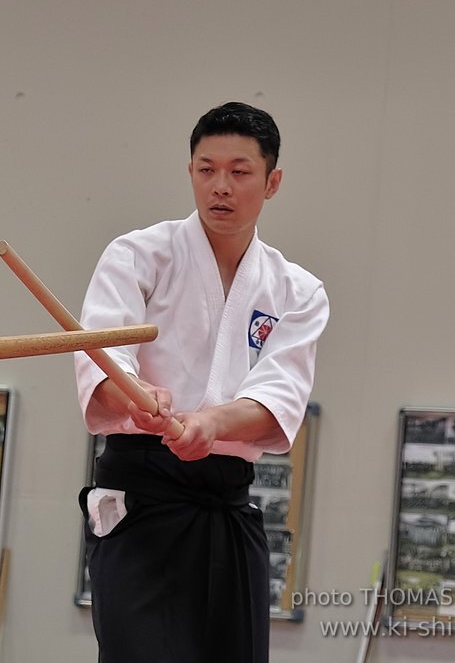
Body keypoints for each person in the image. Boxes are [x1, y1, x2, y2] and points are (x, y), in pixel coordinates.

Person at [74, 102, 329, 663]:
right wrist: (140, 400)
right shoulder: (139, 255)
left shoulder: (298, 291)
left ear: (272, 182)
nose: (221, 186)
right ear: (189, 170)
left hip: (227, 503)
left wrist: (209, 423)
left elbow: (279, 402)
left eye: (240, 172)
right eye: (206, 169)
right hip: (141, 502)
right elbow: (104, 361)